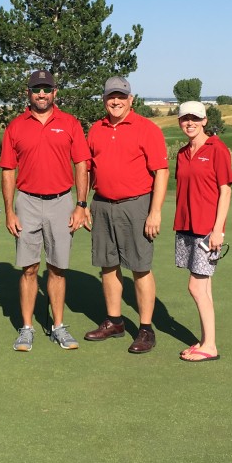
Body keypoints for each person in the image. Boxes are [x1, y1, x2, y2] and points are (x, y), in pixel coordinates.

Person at [0, 69, 90, 352]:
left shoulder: (70, 123)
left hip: (62, 201)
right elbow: (7, 171)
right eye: (36, 89)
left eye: (46, 89)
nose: (41, 94)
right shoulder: (16, 126)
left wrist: (81, 204)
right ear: (29, 93)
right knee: (29, 268)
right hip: (26, 201)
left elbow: (81, 165)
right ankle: (26, 329)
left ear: (55, 92)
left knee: (58, 267)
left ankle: (58, 326)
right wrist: (10, 211)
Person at [84, 76, 169, 354]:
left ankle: (146, 329)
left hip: (136, 204)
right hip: (102, 204)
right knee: (107, 265)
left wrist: (154, 211)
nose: (116, 101)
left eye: (121, 96)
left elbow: (161, 172)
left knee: (140, 266)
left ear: (131, 99)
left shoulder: (147, 129)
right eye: (111, 97)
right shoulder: (96, 129)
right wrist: (83, 204)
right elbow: (87, 169)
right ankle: (115, 321)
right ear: (104, 99)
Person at [173, 100, 232, 362]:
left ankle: (210, 347)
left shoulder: (217, 149)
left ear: (205, 121)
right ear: (179, 121)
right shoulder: (182, 153)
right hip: (186, 226)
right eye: (185, 118)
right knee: (204, 287)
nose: (190, 123)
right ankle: (206, 340)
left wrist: (218, 229)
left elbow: (225, 190)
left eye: (195, 119)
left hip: (207, 231)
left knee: (196, 287)